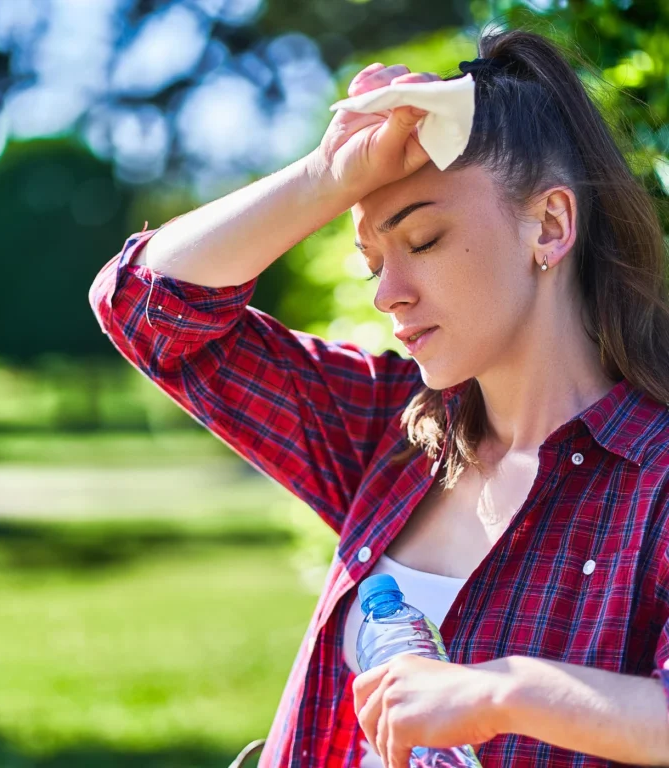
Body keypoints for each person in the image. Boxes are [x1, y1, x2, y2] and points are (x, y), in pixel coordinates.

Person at [89, 25, 669, 768]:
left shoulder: (655, 481)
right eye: (371, 263)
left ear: (550, 226)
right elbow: (146, 310)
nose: (387, 294)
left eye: (422, 241)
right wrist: (326, 176)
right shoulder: (390, 430)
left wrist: (503, 693)